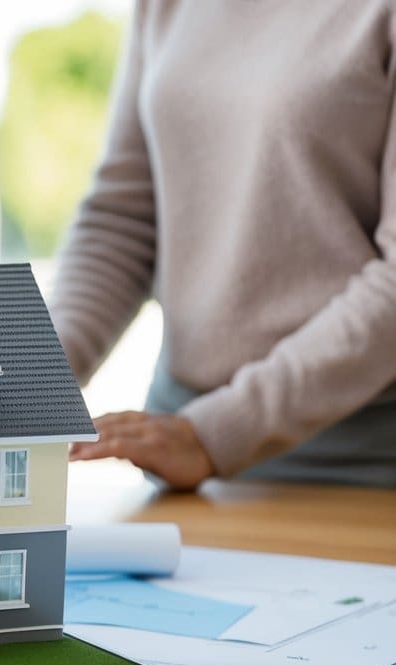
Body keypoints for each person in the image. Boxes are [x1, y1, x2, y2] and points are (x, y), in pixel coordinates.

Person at [49, 0, 396, 490]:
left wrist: (218, 432)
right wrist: (33, 384)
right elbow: (121, 220)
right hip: (175, 457)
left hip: (348, 467)